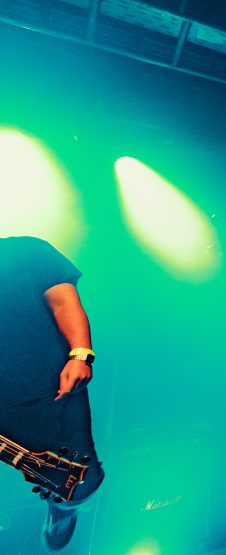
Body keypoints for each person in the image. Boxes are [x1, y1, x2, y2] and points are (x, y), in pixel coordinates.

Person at [0, 236, 105, 551]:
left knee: (80, 479)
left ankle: (63, 509)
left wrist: (81, 355)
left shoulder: (27, 250)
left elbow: (64, 302)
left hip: (48, 385)